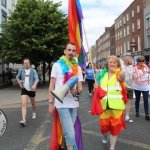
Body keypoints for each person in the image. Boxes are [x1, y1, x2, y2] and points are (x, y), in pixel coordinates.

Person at [49, 42, 83, 150]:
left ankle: (62, 145)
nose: (71, 53)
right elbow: (51, 85)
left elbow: (80, 88)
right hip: (61, 103)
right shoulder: (57, 65)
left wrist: (76, 90)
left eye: (73, 51)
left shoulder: (77, 68)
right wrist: (50, 103)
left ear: (75, 53)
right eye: (69, 50)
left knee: (68, 130)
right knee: (71, 133)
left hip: (73, 104)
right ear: (65, 51)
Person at [93, 55, 128, 150]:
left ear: (117, 64)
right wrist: (95, 87)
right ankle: (104, 135)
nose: (112, 64)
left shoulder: (119, 74)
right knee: (103, 126)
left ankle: (112, 147)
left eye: (114, 62)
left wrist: (121, 76)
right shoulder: (102, 75)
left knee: (115, 127)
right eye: (110, 62)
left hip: (117, 106)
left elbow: (122, 78)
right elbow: (97, 90)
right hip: (104, 105)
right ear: (107, 64)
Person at [16, 58, 39, 126]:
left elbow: (36, 78)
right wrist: (20, 83)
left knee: (33, 103)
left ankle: (34, 112)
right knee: (23, 104)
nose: (26, 64)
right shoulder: (21, 70)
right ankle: (23, 120)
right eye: (25, 63)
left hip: (31, 89)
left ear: (29, 63)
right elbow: (17, 77)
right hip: (24, 89)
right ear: (23, 64)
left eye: (28, 63)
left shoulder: (33, 71)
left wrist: (34, 85)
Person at [133, 55, 150, 121]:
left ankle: (147, 114)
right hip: (137, 86)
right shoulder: (134, 68)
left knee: (146, 99)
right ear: (137, 61)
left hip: (145, 86)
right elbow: (133, 77)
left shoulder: (146, 68)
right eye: (140, 61)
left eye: (142, 61)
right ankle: (137, 111)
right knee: (137, 99)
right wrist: (135, 77)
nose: (141, 62)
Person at [121, 53, 134, 123]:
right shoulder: (120, 67)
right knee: (122, 102)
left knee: (128, 102)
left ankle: (127, 116)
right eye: (131, 59)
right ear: (127, 60)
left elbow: (133, 75)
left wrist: (134, 77)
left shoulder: (131, 67)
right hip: (123, 87)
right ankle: (121, 116)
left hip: (130, 86)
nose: (132, 60)